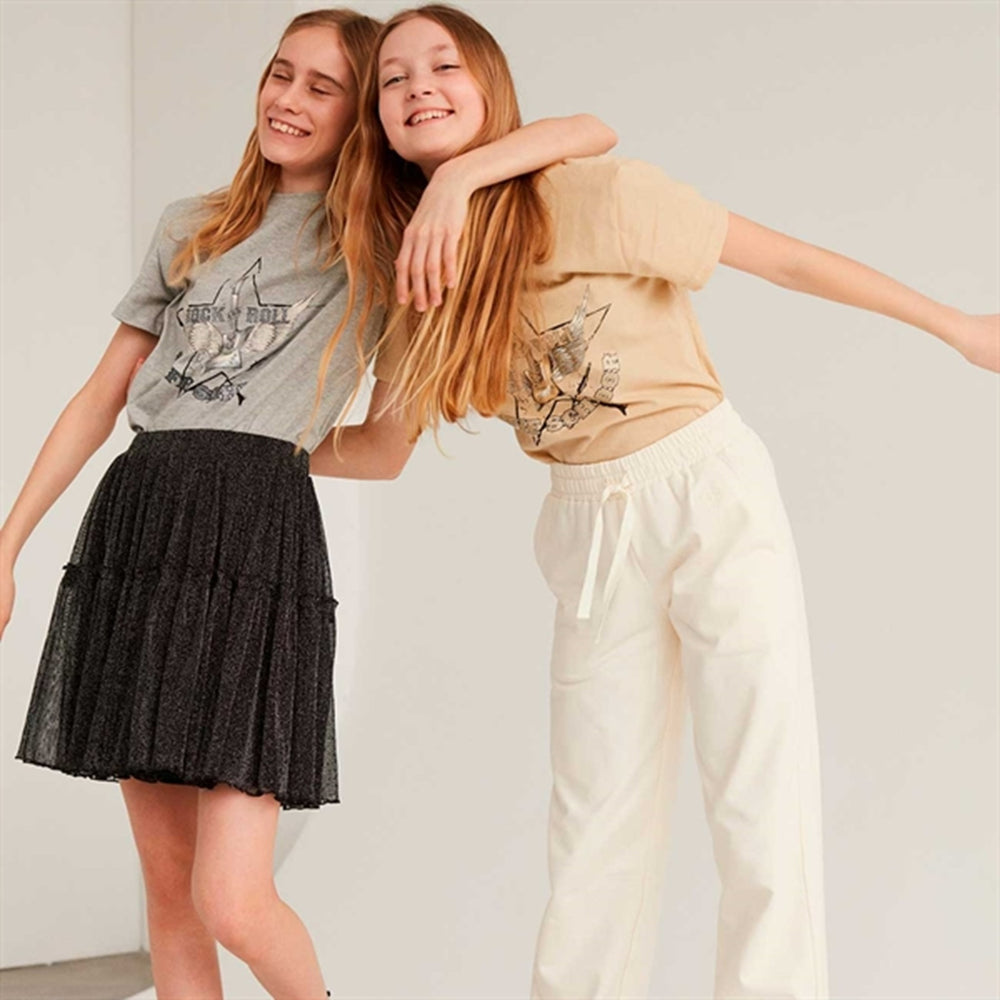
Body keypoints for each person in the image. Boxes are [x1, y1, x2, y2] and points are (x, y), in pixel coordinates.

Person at [326, 5, 1000, 998]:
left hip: (705, 492)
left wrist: (958, 326)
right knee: (592, 823)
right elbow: (381, 450)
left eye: (444, 64)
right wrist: (233, 446)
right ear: (379, 123)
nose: (419, 85)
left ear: (489, 88)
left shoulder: (586, 192)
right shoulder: (416, 277)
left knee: (758, 797)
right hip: (586, 529)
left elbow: (781, 257)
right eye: (394, 78)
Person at [0, 7, 616, 998]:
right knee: (169, 895)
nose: (288, 99)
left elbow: (588, 130)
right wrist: (8, 543)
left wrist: (453, 180)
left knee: (232, 900)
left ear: (360, 113)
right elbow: (100, 396)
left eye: (323, 87)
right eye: (280, 73)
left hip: (256, 544)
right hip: (139, 526)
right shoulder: (190, 225)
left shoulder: (385, 243)